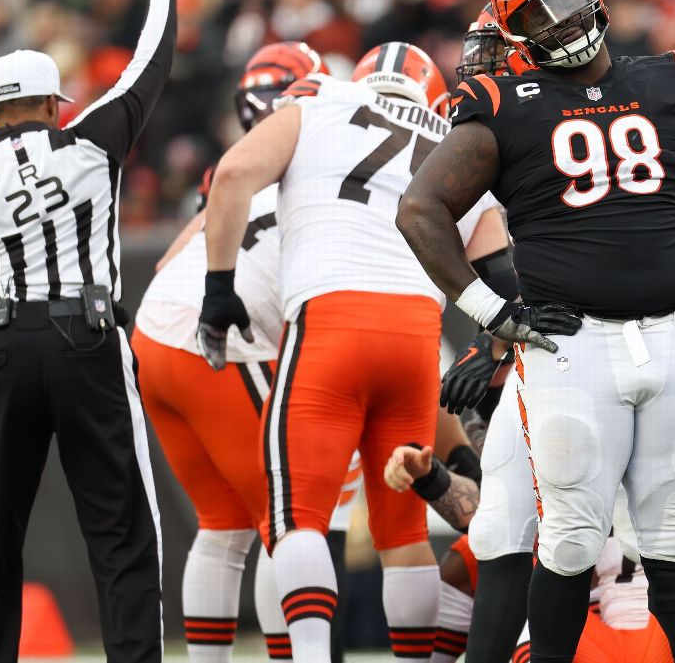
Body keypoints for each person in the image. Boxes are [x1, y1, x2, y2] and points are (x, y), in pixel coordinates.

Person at [396, 0, 675, 661]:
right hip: (572, 348)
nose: (559, 19)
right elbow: (420, 209)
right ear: (515, 36)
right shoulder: (503, 106)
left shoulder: (669, 77)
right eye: (537, 11)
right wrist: (492, 313)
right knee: (569, 536)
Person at [196, 40, 507, 663]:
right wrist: (489, 344)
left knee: (298, 516)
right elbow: (498, 262)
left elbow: (231, 174)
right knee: (403, 530)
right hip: (418, 334)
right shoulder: (455, 138)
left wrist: (218, 287)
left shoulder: (322, 98)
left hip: (331, 318)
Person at [0, 0, 176, 661]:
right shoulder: (90, 142)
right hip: (84, 338)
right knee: (120, 530)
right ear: (54, 103)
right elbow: (149, 67)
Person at [133, 40, 325, 662]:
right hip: (214, 342)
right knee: (286, 521)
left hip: (156, 327)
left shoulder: (237, 171)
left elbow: (166, 260)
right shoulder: (327, 176)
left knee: (222, 522)